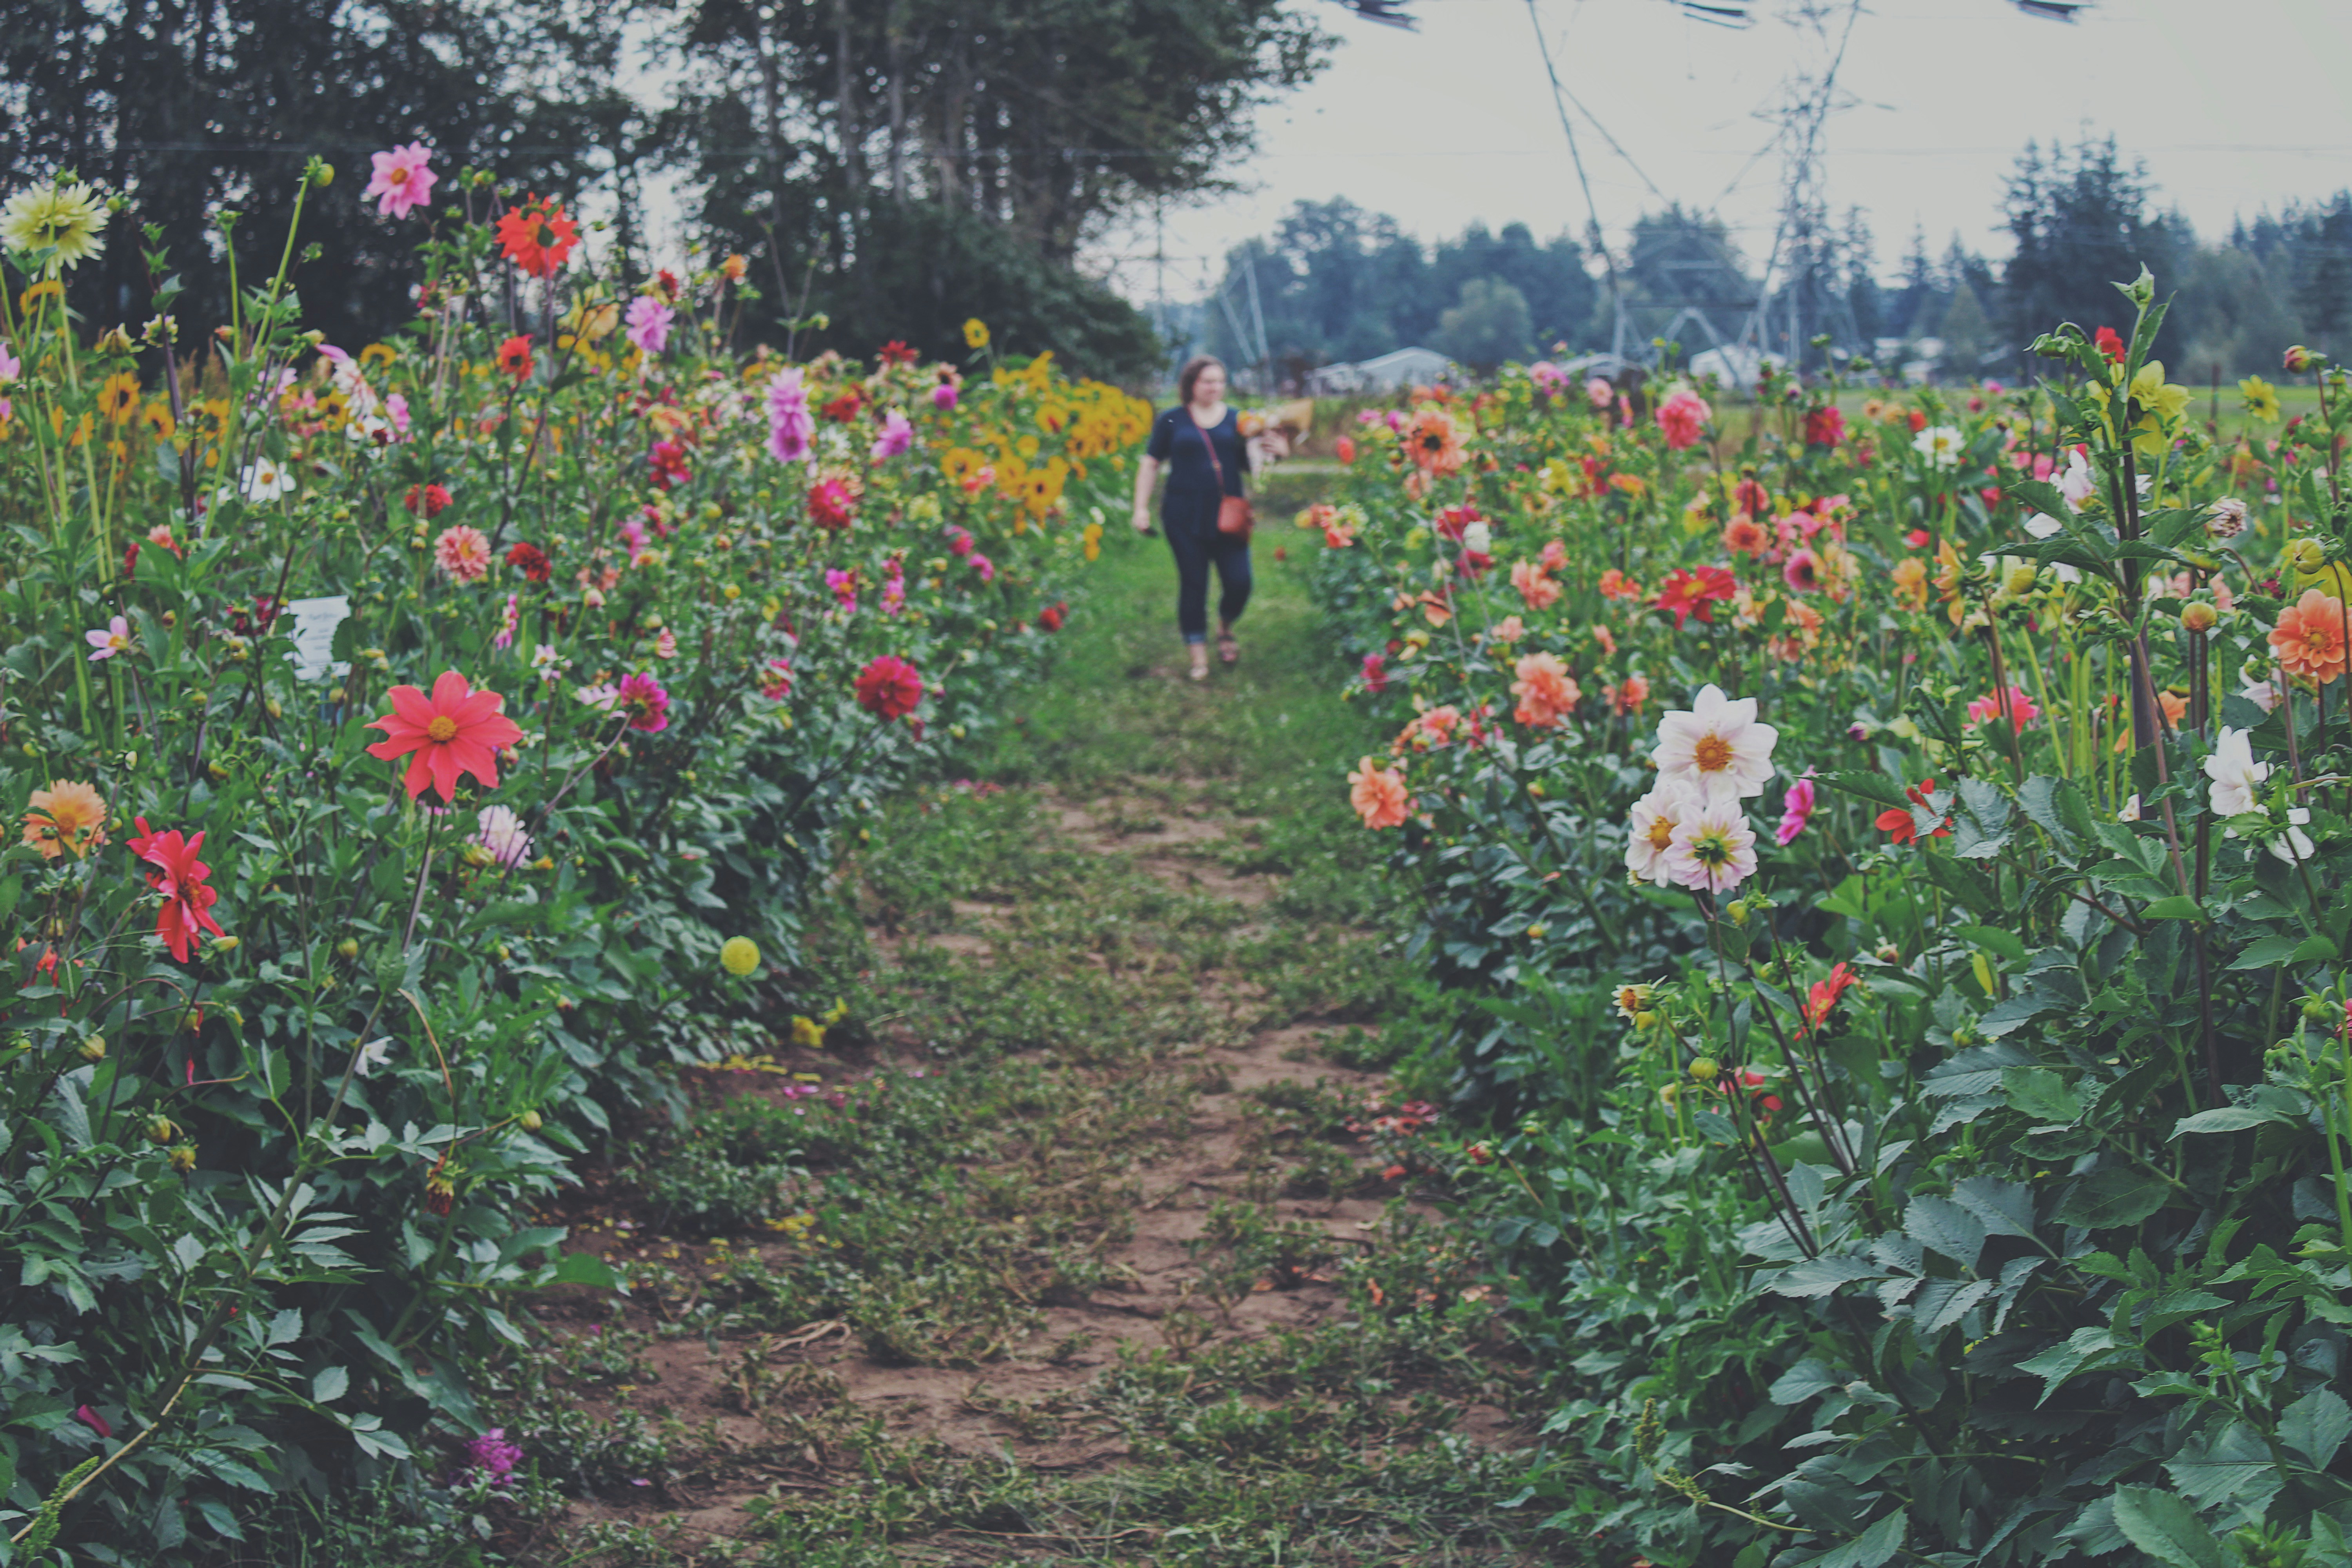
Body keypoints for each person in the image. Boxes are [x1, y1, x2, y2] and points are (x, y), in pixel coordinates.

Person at [1132, 356, 1251, 680]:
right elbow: (1150, 462)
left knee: (1240, 581)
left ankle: (1224, 626)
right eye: (1207, 381)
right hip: (1183, 516)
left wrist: (1278, 449)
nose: (1214, 387)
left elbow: (1253, 464)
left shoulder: (1237, 420)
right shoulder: (1172, 420)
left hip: (1229, 517)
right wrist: (1141, 508)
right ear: (1191, 385)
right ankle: (1198, 656)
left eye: (1219, 381)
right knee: (1194, 584)